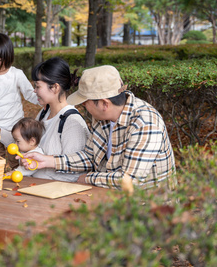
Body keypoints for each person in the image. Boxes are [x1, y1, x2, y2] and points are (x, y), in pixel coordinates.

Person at [23, 65, 177, 190]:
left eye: (85, 102)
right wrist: (48, 161)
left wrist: (87, 178)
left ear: (104, 104)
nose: (83, 106)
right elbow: (90, 157)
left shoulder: (145, 123)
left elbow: (130, 180)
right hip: (109, 198)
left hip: (149, 210)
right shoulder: (102, 118)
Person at [0, 33, 39, 168]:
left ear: (8, 56)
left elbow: (29, 94)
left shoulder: (16, 74)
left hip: (14, 127)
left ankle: (18, 179)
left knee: (15, 159)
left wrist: (44, 101)